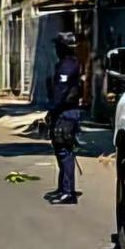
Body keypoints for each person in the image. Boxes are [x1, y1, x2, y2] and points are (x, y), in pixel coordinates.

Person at [45, 32, 83, 205]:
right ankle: (63, 188)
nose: (55, 48)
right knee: (61, 151)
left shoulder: (67, 66)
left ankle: (68, 192)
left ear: (63, 47)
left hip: (66, 112)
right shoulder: (67, 64)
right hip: (63, 112)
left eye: (58, 45)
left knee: (65, 152)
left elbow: (60, 91)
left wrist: (52, 110)